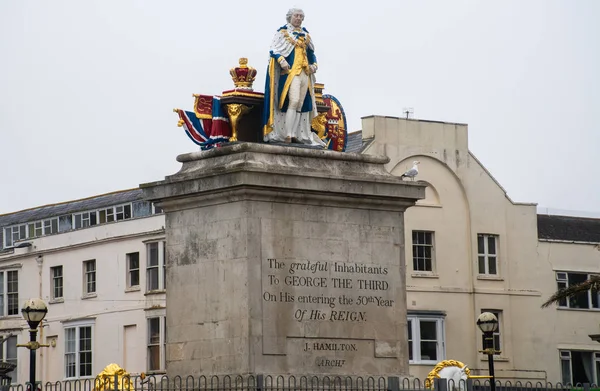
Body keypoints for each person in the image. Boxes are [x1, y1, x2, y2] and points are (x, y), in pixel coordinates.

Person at [262, 8, 325, 147]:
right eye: (296, 16)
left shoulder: (306, 35)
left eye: (301, 16)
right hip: (291, 73)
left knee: (300, 105)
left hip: (305, 73)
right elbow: (274, 50)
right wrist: (281, 60)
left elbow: (311, 53)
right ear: (290, 17)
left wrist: (314, 65)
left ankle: (295, 133)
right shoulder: (283, 33)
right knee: (293, 100)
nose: (299, 18)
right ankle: (288, 134)